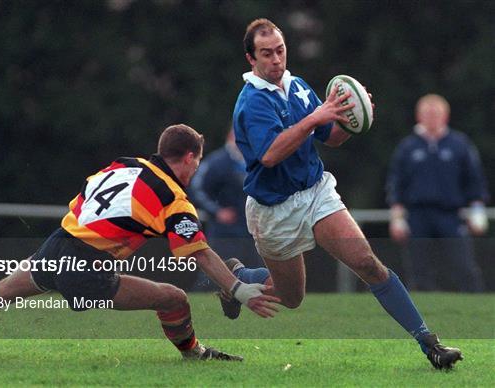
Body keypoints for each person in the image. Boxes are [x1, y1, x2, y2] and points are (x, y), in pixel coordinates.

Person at [219, 18, 463, 370]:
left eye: (281, 51)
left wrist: (351, 120)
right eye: (266, 53)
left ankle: (430, 344)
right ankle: (237, 278)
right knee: (291, 297)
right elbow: (270, 154)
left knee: (368, 263)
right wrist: (317, 116)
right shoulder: (252, 102)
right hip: (273, 210)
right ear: (250, 59)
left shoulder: (298, 86)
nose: (276, 59)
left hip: (316, 193)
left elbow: (329, 135)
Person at [0, 124, 280, 361]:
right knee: (174, 299)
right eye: (197, 162)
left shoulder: (125, 164)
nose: (196, 169)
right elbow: (199, 252)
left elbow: (86, 191)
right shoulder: (173, 197)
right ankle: (196, 355)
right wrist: (239, 289)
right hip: (86, 267)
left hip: (58, 244)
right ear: (190, 157)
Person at [386, 94, 489, 292]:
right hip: (418, 216)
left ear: (445, 116)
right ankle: (422, 318)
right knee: (419, 270)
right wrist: (397, 218)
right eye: (428, 113)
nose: (432, 118)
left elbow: (474, 180)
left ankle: (477, 310)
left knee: (464, 267)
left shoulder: (459, 144)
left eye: (436, 114)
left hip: (450, 215)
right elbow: (396, 184)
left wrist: (477, 211)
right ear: (419, 116)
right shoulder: (408, 147)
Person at [189, 128, 263, 290]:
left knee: (254, 274)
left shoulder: (256, 160)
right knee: (213, 276)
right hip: (225, 233)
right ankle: (198, 303)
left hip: (252, 232)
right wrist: (217, 211)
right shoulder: (217, 162)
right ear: (231, 136)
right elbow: (197, 189)